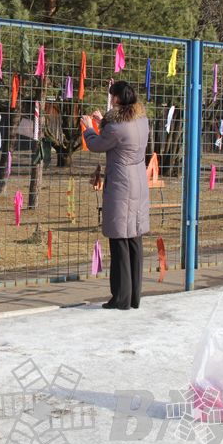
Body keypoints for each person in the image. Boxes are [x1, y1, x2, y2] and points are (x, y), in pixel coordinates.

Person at [81, 80, 150, 310]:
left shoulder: (116, 128)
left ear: (118, 99)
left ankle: (120, 298)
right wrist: (104, 122)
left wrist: (89, 127)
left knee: (119, 240)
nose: (110, 100)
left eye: (111, 97)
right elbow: (118, 136)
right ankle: (133, 297)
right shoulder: (141, 120)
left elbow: (99, 144)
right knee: (134, 239)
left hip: (122, 186)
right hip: (138, 183)